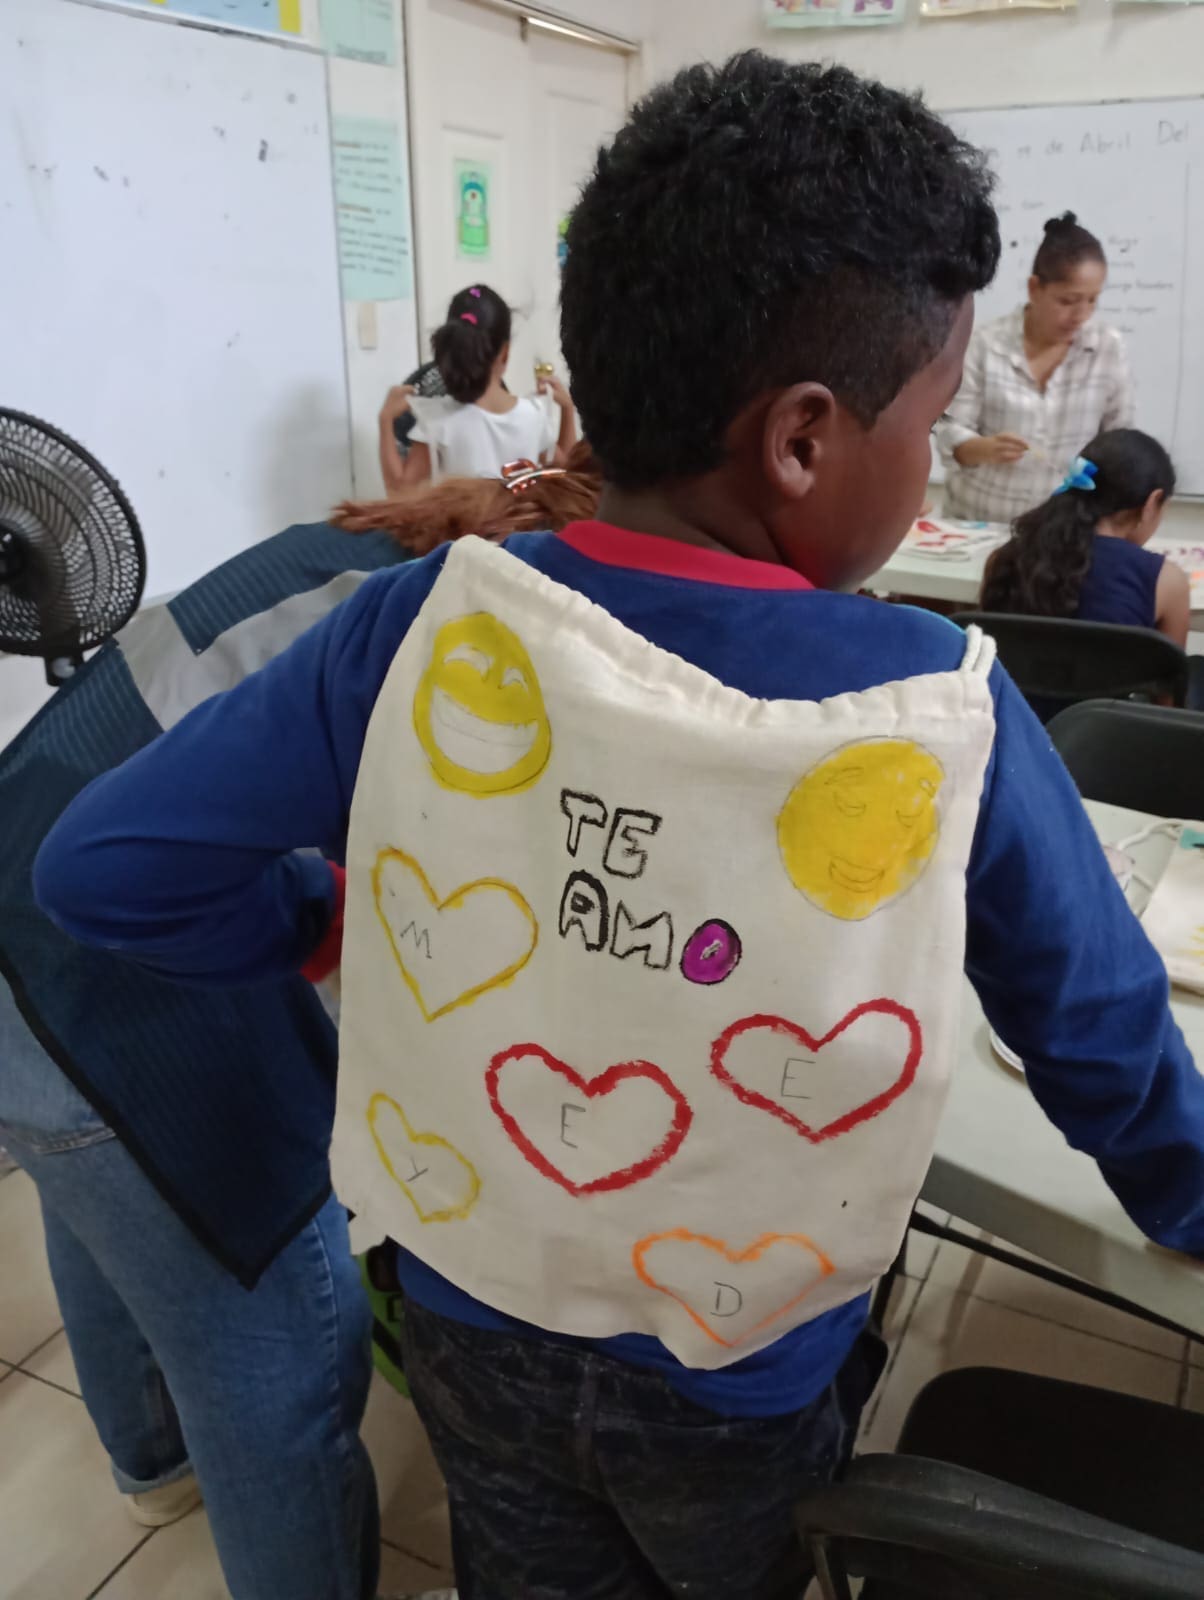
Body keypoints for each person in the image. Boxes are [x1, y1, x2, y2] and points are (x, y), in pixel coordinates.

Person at [34, 54, 1204, 1600]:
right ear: (801, 439)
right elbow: (1104, 1037)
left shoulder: (420, 626)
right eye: (926, 425)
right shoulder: (945, 713)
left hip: (466, 1313)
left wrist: (316, 921)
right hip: (736, 1366)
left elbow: (102, 870)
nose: (932, 464)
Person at [0, 520, 409, 1600]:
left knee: (92, 1202)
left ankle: (150, 1465)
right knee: (281, 1362)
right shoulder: (435, 625)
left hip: (13, 920)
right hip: (90, 964)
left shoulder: (313, 553)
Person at [937, 212, 1135, 523]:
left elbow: (1120, 439)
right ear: (1034, 288)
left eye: (1092, 301)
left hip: (1063, 527)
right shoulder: (984, 344)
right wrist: (983, 448)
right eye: (1068, 301)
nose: (1080, 314)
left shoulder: (1106, 348)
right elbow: (950, 429)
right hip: (979, 524)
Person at [982, 428, 1188, 645]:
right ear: (1151, 503)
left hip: (1013, 680)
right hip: (1113, 680)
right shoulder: (1165, 581)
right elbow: (1173, 675)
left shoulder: (1002, 559)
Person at [378, 285, 576, 492]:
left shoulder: (435, 420)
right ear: (505, 353)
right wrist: (568, 410)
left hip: (458, 525)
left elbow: (400, 493)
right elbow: (567, 477)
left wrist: (385, 420)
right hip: (524, 525)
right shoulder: (533, 416)